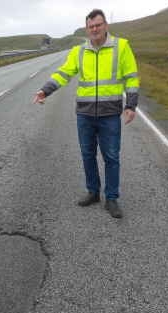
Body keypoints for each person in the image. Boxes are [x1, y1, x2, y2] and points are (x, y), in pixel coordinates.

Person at [32, 9, 139, 218]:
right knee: (88, 154)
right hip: (85, 114)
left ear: (106, 25)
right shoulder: (79, 51)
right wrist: (46, 90)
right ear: (87, 29)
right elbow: (64, 73)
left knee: (111, 157)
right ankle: (93, 192)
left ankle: (112, 198)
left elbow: (132, 77)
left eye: (98, 25)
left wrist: (131, 105)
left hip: (110, 114)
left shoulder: (121, 46)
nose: (95, 29)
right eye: (91, 26)